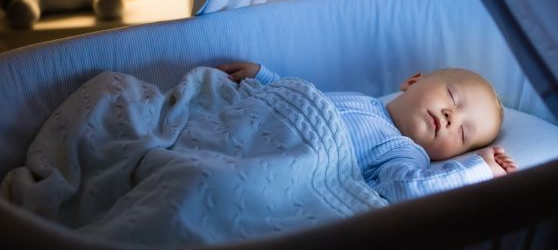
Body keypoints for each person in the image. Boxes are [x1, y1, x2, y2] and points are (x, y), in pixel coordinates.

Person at [217, 61, 518, 204]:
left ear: (453, 154)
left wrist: (479, 168)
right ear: (413, 81)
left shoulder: (405, 154)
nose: (451, 117)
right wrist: (265, 78)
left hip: (281, 164)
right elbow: (311, 99)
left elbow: (411, 188)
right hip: (259, 124)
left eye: (463, 133)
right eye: (452, 98)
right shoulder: (365, 100)